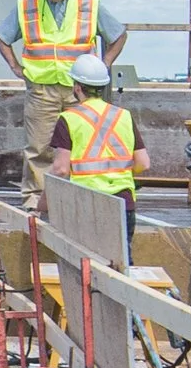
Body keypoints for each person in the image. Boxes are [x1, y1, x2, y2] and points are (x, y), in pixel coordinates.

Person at [46, 49, 147, 252]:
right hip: (123, 202)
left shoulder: (69, 119)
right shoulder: (123, 116)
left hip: (88, 202)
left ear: (77, 87)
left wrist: (43, 200)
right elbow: (143, 163)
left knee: (87, 262)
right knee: (121, 262)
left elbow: (60, 169)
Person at [0, 0, 126, 96]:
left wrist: (104, 65)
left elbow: (119, 35)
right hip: (41, 90)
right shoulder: (26, 5)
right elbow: (2, 36)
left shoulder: (88, 4)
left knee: (82, 114)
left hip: (81, 88)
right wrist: (14, 67)